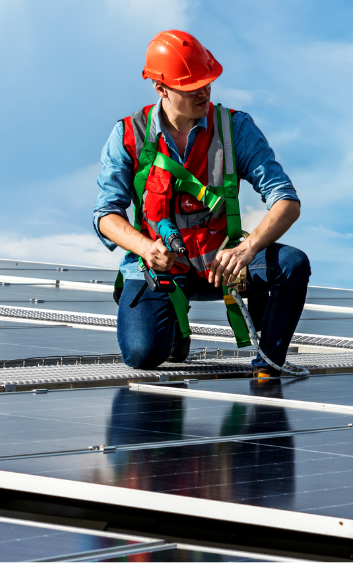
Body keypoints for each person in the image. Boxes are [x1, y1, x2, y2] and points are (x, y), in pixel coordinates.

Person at [93, 30, 309, 377]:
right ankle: (173, 329)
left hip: (222, 264)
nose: (204, 92)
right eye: (191, 87)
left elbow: (286, 199)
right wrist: (148, 249)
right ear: (161, 88)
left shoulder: (235, 127)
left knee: (293, 264)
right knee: (142, 354)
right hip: (159, 268)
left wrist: (248, 248)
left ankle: (267, 364)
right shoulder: (128, 135)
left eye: (207, 83)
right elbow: (106, 215)